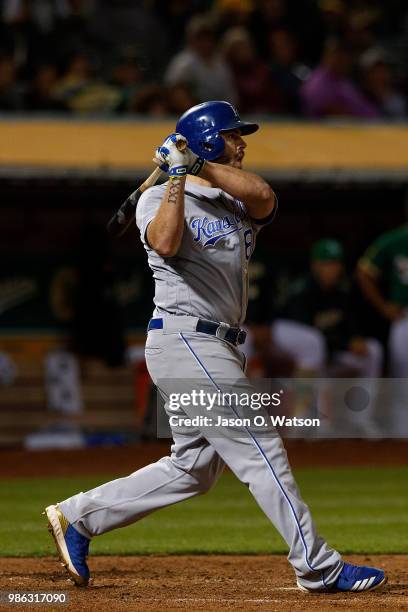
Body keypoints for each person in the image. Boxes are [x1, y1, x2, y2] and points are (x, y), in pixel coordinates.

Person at [45, 101, 387, 594]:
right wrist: (180, 177)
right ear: (206, 139)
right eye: (231, 135)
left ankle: (77, 518)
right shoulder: (158, 198)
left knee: (194, 469)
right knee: (261, 448)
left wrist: (199, 165)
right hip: (185, 338)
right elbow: (164, 243)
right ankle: (317, 565)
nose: (242, 142)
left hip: (219, 345)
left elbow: (266, 197)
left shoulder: (236, 200)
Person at [357, 224, 408, 434]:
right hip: (404, 316)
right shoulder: (396, 239)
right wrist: (383, 306)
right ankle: (401, 434)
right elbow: (364, 271)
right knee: (402, 378)